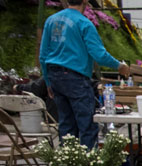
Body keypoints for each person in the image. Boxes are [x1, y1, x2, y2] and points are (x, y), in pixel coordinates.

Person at [38, 0, 129, 149]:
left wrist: (47, 82)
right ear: (85, 1)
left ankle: (69, 164)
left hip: (55, 77)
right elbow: (99, 55)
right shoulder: (84, 23)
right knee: (87, 124)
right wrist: (120, 66)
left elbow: (43, 55)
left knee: (66, 125)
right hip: (75, 78)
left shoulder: (51, 20)